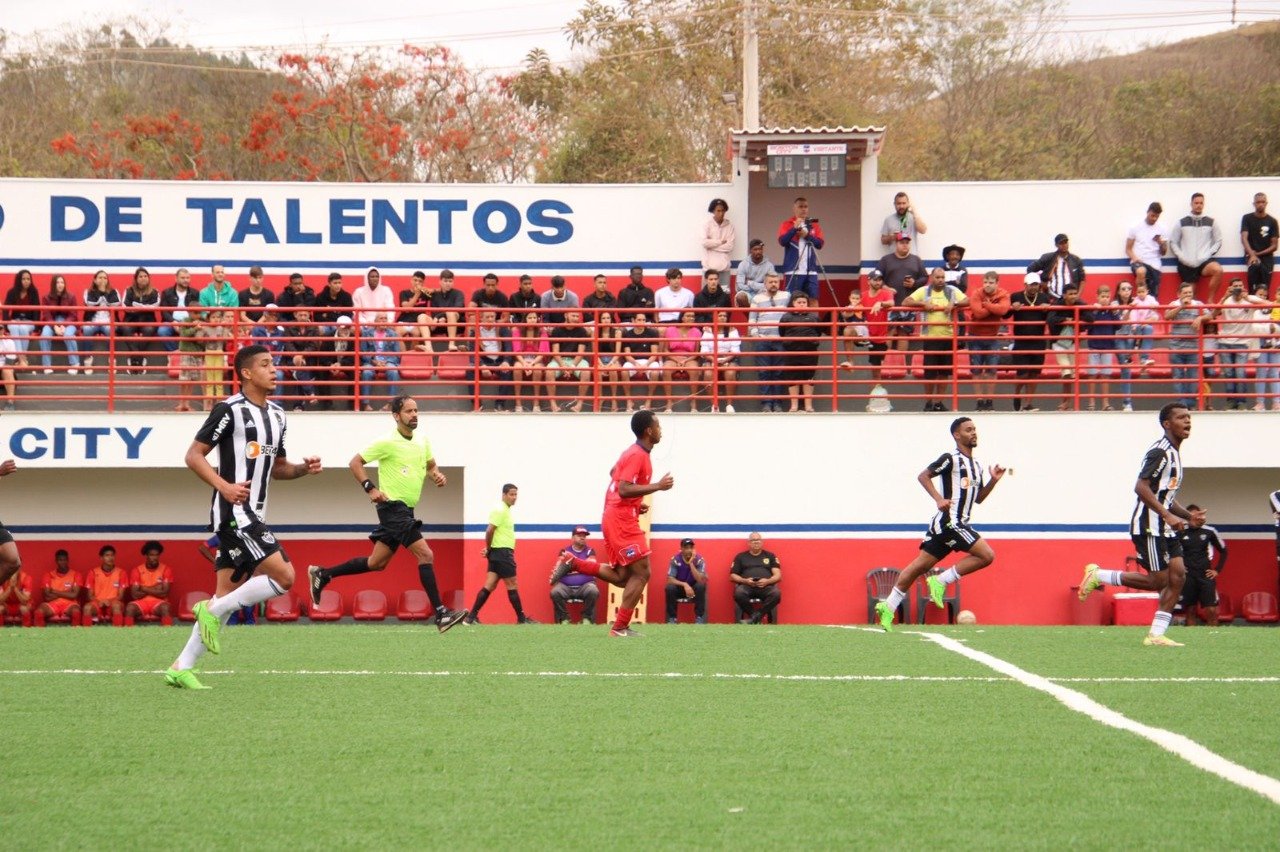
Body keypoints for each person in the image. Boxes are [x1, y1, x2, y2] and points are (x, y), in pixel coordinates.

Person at [164, 344, 323, 689]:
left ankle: (181, 666)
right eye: (266, 364)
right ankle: (211, 611)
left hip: (255, 511)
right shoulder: (229, 410)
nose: (274, 369)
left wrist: (302, 470)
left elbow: (278, 468)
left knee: (224, 593)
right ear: (247, 373)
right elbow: (193, 455)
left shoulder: (279, 416)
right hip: (236, 511)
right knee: (285, 577)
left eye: (274, 363)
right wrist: (224, 486)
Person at [306, 395, 468, 631]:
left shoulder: (422, 441)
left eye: (416, 410)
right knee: (426, 554)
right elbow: (355, 463)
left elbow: (431, 465)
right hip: (393, 508)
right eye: (409, 411)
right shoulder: (386, 442)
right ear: (396, 416)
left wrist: (436, 475)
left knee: (376, 562)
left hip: (407, 510)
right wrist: (370, 488)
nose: (414, 415)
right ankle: (441, 614)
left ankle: (323, 574)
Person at [875, 417, 1006, 631]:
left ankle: (887, 606)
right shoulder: (951, 459)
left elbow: (978, 498)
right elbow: (924, 476)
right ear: (957, 435)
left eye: (974, 429)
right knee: (987, 555)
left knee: (920, 566)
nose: (973, 433)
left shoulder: (977, 466)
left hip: (953, 524)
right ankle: (940, 581)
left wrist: (993, 480)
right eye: (968, 430)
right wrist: (938, 498)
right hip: (950, 522)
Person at [1080, 403, 1194, 646]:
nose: (1188, 421)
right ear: (1167, 424)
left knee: (1178, 576)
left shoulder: (1175, 453)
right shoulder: (1160, 452)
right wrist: (1167, 516)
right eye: (1181, 418)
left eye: (1189, 417)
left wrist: (1187, 516)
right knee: (1158, 581)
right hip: (1149, 526)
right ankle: (1098, 575)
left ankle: (1156, 635)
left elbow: (1166, 497)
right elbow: (1141, 487)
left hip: (1164, 525)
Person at [553, 410, 675, 637]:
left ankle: (574, 562)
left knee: (622, 578)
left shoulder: (632, 453)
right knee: (642, 572)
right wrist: (657, 486)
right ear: (649, 431)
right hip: (621, 520)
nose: (661, 430)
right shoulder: (637, 455)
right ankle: (619, 628)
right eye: (658, 426)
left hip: (616, 515)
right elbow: (623, 488)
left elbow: (614, 474)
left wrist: (636, 505)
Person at [465, 483, 537, 624]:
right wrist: (489, 548)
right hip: (503, 553)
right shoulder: (500, 510)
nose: (514, 497)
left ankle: (470, 617)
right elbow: (489, 530)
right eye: (511, 494)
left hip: (498, 553)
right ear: (503, 495)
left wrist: (490, 550)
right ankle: (522, 619)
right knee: (512, 585)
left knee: (489, 585)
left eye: (516, 494)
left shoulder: (505, 510)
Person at [903, 267, 969, 412]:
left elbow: (967, 300)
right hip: (930, 338)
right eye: (938, 277)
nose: (941, 280)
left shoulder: (951, 290)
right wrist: (923, 304)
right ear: (931, 278)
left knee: (944, 373)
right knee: (930, 374)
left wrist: (955, 304)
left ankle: (938, 402)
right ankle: (928, 402)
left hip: (948, 337)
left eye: (943, 277)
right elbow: (905, 302)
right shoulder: (924, 290)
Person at [1214, 278, 1266, 410]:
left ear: (1243, 287)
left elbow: (1267, 306)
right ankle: (1231, 401)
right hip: (1225, 342)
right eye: (1235, 286)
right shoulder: (1226, 300)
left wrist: (1248, 299)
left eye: (1240, 286)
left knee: (1240, 372)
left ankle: (1241, 401)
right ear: (1230, 288)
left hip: (1242, 342)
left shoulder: (1250, 299)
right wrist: (1224, 296)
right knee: (1229, 373)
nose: (1238, 288)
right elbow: (1213, 314)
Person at [1008, 273, 1054, 411]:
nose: (1034, 287)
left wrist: (1048, 308)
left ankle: (1028, 403)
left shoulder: (1044, 297)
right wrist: (1012, 307)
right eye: (1031, 284)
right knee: (1022, 374)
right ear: (1025, 285)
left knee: (1034, 373)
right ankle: (1016, 395)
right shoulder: (1016, 296)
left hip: (1038, 341)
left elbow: (1051, 317)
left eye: (1036, 284)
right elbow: (1005, 314)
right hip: (1021, 341)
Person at [1176, 504, 1227, 626]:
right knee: (1190, 610)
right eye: (1192, 516)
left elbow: (1224, 551)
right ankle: (1192, 640)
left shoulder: (1209, 531)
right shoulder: (1180, 531)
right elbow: (1171, 551)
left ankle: (1213, 637)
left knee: (1211, 610)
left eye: (1198, 516)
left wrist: (1217, 570)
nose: (1196, 518)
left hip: (1205, 575)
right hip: (1188, 576)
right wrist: (1179, 567)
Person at [1170, 192, 1224, 303]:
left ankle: (1210, 301)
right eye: (1196, 203)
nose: (1199, 205)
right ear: (1191, 204)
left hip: (1204, 261)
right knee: (1191, 296)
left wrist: (1208, 254)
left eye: (1201, 203)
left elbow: (1218, 241)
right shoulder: (1181, 222)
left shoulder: (1211, 221)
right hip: (1187, 263)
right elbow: (1173, 242)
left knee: (1218, 270)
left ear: (1204, 204)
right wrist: (1182, 257)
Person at [967, 272, 1010, 411]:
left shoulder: (1003, 293)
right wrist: (993, 308)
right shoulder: (976, 293)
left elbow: (1003, 310)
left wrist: (986, 305)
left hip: (993, 337)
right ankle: (980, 401)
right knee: (976, 370)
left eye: (991, 282)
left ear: (997, 283)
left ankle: (989, 401)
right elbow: (978, 313)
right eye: (985, 282)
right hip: (975, 336)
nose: (987, 285)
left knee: (992, 370)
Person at [749, 272, 790, 412]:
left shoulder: (786, 296)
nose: (774, 284)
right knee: (764, 372)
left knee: (779, 373)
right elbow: (752, 319)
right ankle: (766, 403)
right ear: (765, 284)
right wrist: (755, 335)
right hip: (763, 341)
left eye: (776, 282)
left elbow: (792, 314)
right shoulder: (757, 298)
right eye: (771, 282)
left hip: (780, 341)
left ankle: (777, 403)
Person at [1164, 282, 1209, 409]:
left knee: (1193, 378)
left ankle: (1190, 404)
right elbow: (1167, 316)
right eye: (1185, 293)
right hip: (1176, 348)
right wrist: (1181, 307)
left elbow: (1210, 314)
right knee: (1178, 377)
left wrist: (1200, 319)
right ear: (1179, 294)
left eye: (1190, 292)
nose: (1188, 295)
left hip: (1193, 348)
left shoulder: (1198, 305)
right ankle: (1181, 405)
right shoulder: (1174, 304)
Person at [779, 292, 821, 413]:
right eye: (799, 302)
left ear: (807, 304)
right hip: (792, 352)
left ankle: (808, 406)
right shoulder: (786, 317)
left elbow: (818, 332)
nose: (802, 304)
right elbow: (782, 332)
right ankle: (794, 406)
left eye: (804, 302)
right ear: (793, 303)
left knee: (809, 378)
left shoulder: (814, 317)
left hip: (810, 352)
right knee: (793, 378)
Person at [1081, 284, 1122, 411]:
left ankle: (1105, 403)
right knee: (1092, 374)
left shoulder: (1111, 311)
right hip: (1094, 346)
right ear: (1097, 297)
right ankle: (1091, 403)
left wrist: (1115, 312)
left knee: (1105, 375)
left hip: (1108, 346)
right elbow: (1086, 325)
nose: (1105, 299)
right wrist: (1094, 311)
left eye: (1107, 297)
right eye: (1103, 296)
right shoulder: (1093, 310)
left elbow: (1118, 326)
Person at [548, 525, 600, 624]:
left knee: (593, 590)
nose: (582, 537)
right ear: (572, 538)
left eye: (584, 535)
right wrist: (581, 568)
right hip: (565, 586)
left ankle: (587, 619)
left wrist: (570, 567)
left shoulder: (590, 551)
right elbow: (559, 569)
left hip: (585, 586)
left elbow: (591, 567)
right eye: (579, 535)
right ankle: (564, 619)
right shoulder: (564, 551)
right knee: (555, 592)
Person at [777, 196, 825, 301]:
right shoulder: (787, 224)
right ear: (794, 208)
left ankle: (813, 318)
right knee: (791, 300)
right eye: (800, 206)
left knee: (813, 299)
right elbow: (782, 241)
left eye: (806, 207)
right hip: (792, 270)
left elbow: (820, 244)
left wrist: (806, 235)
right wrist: (794, 229)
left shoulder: (814, 225)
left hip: (811, 270)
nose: (803, 209)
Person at [729, 532, 781, 624]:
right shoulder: (740, 557)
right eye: (753, 540)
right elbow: (732, 575)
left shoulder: (770, 556)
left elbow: (778, 575)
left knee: (776, 593)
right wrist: (745, 580)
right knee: (738, 593)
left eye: (758, 540)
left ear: (762, 542)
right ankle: (756, 616)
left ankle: (755, 617)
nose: (756, 542)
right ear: (748, 543)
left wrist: (767, 581)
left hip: (766, 586)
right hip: (747, 586)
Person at [120, 266, 161, 373]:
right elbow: (125, 305)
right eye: (140, 276)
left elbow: (156, 305)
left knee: (149, 330)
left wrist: (140, 307)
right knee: (125, 329)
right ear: (136, 279)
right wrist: (137, 309)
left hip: (148, 319)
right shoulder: (129, 290)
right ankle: (138, 358)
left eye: (145, 276)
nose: (143, 278)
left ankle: (135, 359)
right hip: (131, 319)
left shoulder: (154, 291)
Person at [549, 309, 591, 412]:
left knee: (586, 372)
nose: (576, 318)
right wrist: (563, 366)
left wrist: (572, 367)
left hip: (576, 360)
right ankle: (553, 405)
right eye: (573, 316)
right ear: (566, 315)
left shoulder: (582, 331)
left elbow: (581, 353)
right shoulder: (557, 330)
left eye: (577, 316)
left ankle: (579, 404)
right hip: (559, 360)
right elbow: (555, 352)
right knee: (549, 371)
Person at [699, 310, 740, 414]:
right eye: (720, 315)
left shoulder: (733, 330)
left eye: (725, 316)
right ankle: (714, 405)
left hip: (729, 358)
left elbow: (735, 351)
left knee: (730, 372)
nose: (722, 318)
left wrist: (724, 360)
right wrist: (714, 360)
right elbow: (704, 351)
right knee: (708, 373)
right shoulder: (708, 331)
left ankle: (729, 405)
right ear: (714, 318)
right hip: (711, 358)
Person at [38, 274, 80, 374]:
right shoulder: (46, 297)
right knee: (44, 336)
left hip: (69, 322)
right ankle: (47, 366)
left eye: (62, 282)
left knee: (68, 335)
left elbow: (73, 315)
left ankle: (75, 363)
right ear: (53, 284)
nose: (60, 285)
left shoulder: (71, 296)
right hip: (51, 321)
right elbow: (47, 315)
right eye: (57, 282)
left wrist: (63, 325)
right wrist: (55, 326)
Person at [81, 270, 120, 374]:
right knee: (86, 329)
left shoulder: (113, 291)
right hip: (92, 321)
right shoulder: (88, 292)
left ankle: (112, 360)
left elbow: (116, 303)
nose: (103, 280)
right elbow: (89, 303)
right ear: (95, 280)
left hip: (108, 321)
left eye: (105, 278)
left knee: (110, 330)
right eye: (100, 278)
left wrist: (105, 294)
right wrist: (100, 292)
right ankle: (88, 359)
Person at [511, 310, 551, 413]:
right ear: (525, 319)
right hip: (522, 359)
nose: (532, 320)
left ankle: (536, 403)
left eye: (534, 318)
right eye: (530, 318)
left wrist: (532, 364)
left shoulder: (542, 332)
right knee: (517, 368)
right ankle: (518, 403)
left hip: (537, 360)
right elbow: (517, 351)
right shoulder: (517, 331)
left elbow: (542, 352)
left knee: (537, 370)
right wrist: (525, 364)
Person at [1126, 202, 1168, 299]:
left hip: (1155, 264)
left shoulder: (1162, 229)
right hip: (1139, 261)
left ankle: (1148, 305)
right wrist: (1135, 258)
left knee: (1153, 299)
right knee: (1141, 271)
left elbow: (1164, 252)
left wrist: (1161, 243)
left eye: (1157, 216)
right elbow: (1128, 249)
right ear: (1147, 212)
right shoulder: (1135, 227)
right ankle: (1140, 299)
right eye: (1152, 215)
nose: (1154, 219)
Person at [126, 541, 173, 625]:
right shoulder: (137, 570)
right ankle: (127, 634)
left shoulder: (166, 570)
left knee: (165, 608)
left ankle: (168, 634)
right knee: (130, 608)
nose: (154, 557)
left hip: (159, 603)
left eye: (157, 555)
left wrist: (143, 588)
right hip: (142, 603)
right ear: (146, 556)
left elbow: (164, 594)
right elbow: (134, 595)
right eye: (151, 555)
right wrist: (156, 588)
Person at [620, 312, 660, 412]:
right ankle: (629, 400)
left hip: (649, 361)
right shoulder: (627, 334)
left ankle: (649, 400)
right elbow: (627, 355)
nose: (642, 322)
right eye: (639, 320)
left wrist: (646, 365)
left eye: (643, 320)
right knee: (624, 371)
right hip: (633, 361)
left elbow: (654, 354)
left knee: (655, 372)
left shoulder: (652, 333)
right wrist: (636, 364)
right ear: (633, 321)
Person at [1027, 233, 1085, 300]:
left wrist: (1078, 295)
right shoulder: (1048, 258)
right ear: (1056, 245)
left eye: (1065, 242)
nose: (1064, 245)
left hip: (1071, 299)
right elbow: (1030, 269)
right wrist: (1041, 283)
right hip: (1051, 298)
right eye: (1061, 243)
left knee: (1085, 309)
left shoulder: (1076, 260)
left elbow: (1082, 280)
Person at [876, 233, 928, 306]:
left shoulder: (916, 259)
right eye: (902, 242)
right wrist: (886, 288)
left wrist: (914, 283)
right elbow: (876, 277)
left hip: (911, 305)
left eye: (907, 243)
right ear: (896, 244)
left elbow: (925, 278)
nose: (905, 245)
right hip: (890, 305)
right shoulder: (885, 260)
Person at [1241, 192, 1278, 294]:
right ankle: (1253, 309)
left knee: (1265, 290)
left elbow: (1274, 246)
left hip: (1267, 259)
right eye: (1258, 202)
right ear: (1254, 204)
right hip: (1252, 258)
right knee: (1253, 289)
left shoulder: (1272, 221)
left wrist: (1256, 254)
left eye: (1262, 202)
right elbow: (1244, 238)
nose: (1260, 204)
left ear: (1266, 203)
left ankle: (1265, 309)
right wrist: (1252, 255)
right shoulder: (1247, 218)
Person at [83, 544, 128, 627]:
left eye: (112, 555)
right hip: (97, 603)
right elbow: (89, 596)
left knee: (117, 606)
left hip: (114, 603)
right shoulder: (93, 572)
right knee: (87, 608)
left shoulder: (121, 573)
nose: (110, 558)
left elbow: (121, 596)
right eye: (107, 555)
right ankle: (86, 635)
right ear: (101, 558)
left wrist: (109, 601)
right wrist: (99, 601)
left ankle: (119, 634)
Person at [665, 537, 707, 624]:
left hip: (694, 588)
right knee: (670, 588)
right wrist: (684, 585)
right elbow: (670, 579)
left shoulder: (699, 560)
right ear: (681, 549)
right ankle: (672, 618)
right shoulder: (675, 559)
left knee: (700, 586)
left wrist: (691, 563)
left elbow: (699, 579)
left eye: (691, 548)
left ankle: (699, 618)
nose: (689, 550)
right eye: (686, 548)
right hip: (680, 588)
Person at [36, 549, 82, 627]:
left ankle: (76, 634)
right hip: (53, 604)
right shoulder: (48, 575)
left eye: (64, 560)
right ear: (56, 561)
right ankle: (39, 635)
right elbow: (47, 597)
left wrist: (53, 591)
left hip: (70, 604)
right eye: (60, 560)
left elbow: (74, 595)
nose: (62, 562)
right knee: (39, 612)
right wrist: (68, 592)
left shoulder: (76, 575)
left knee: (76, 612)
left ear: (68, 560)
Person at [158, 268, 201, 352]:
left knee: (200, 331)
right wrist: (174, 322)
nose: (186, 280)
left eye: (187, 278)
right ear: (176, 278)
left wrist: (188, 323)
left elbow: (197, 311)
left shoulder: (195, 293)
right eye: (183, 278)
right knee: (162, 331)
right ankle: (177, 353)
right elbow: (164, 312)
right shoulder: (166, 292)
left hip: (189, 322)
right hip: (171, 322)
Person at [5, 269, 40, 365]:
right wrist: (7, 323)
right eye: (23, 279)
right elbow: (5, 310)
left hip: (29, 322)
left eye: (28, 279)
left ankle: (20, 358)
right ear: (19, 280)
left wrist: (37, 327)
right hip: (15, 321)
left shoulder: (34, 292)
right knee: (14, 326)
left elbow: (37, 310)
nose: (26, 281)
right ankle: (22, 358)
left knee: (23, 328)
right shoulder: (11, 292)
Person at [701, 197, 736, 280]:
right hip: (708, 269)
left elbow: (730, 246)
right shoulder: (706, 225)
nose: (721, 213)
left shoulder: (730, 226)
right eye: (718, 211)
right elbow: (704, 243)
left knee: (724, 293)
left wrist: (711, 245)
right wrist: (720, 242)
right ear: (713, 211)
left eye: (723, 210)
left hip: (724, 269)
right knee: (707, 293)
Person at [735, 239, 776, 307]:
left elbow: (770, 285)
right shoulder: (743, 264)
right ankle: (750, 317)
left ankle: (760, 317)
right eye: (755, 249)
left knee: (768, 295)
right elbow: (740, 286)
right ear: (750, 250)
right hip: (747, 292)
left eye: (760, 249)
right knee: (740, 297)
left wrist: (750, 283)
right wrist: (760, 286)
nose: (758, 251)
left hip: (762, 293)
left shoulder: (769, 266)